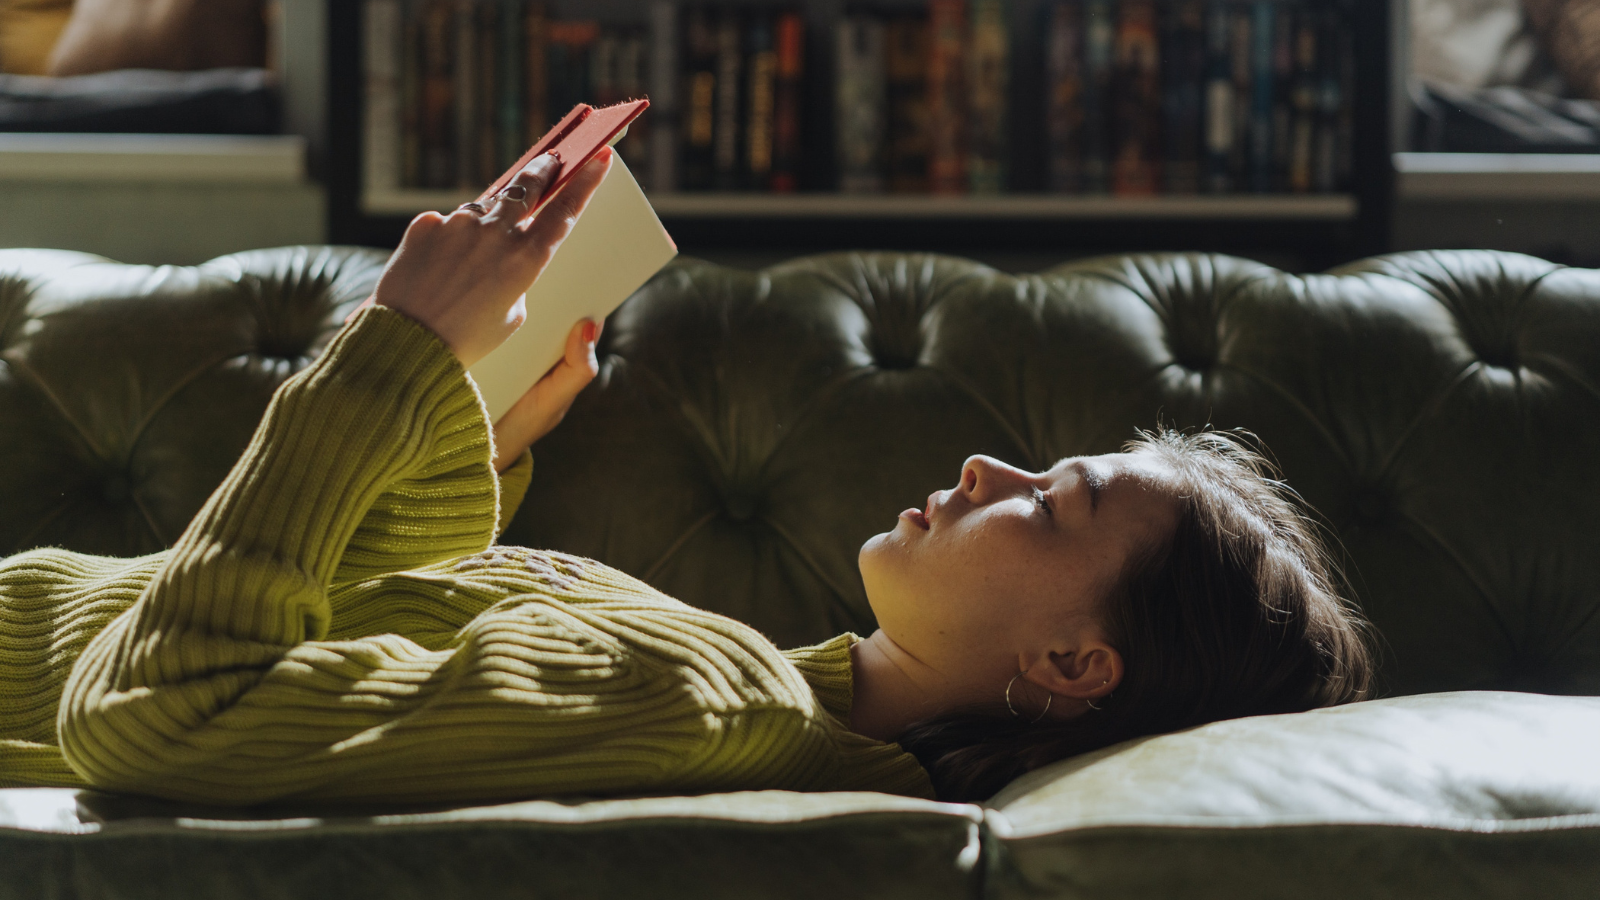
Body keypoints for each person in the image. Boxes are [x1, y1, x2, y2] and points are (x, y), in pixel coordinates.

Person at [0, 148, 1372, 806]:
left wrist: (389, 357)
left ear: (1076, 668)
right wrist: (461, 440)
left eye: (1049, 500)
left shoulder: (708, 701)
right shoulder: (743, 675)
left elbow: (160, 711)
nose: (983, 462)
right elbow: (338, 644)